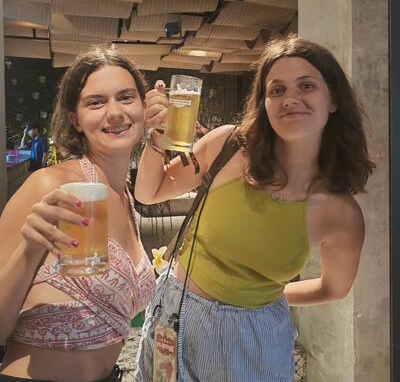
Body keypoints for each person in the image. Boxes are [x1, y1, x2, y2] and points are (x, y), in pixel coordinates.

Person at [133, 35, 375, 381]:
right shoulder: (230, 146)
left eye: (306, 86)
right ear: (264, 102)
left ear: (333, 99)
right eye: (277, 90)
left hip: (250, 341)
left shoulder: (340, 213)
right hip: (173, 311)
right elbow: (149, 192)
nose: (290, 98)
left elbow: (333, 288)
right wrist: (157, 138)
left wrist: (259, 301)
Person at [0, 47, 155, 381]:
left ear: (143, 106)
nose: (115, 112)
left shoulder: (124, 196)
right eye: (96, 102)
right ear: (75, 118)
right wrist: (28, 250)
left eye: (126, 97)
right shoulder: (50, 185)